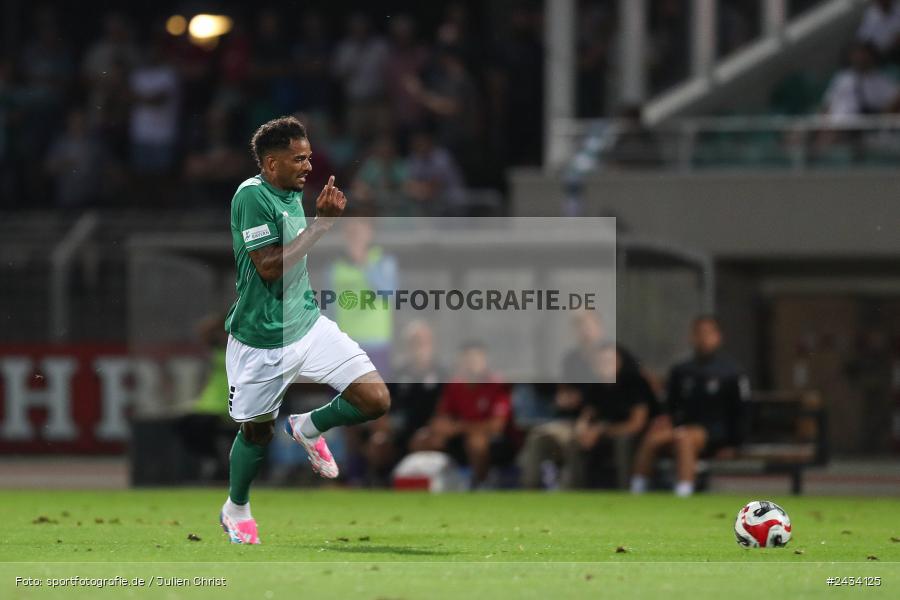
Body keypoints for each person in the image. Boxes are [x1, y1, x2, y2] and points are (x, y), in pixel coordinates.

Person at [219, 116, 391, 544]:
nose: (308, 166)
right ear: (271, 163)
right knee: (257, 433)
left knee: (375, 398)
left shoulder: (293, 191)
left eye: (309, 157)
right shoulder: (251, 197)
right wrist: (321, 226)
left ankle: (308, 426)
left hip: (308, 324)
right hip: (261, 340)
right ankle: (236, 508)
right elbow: (269, 268)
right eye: (299, 159)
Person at [630, 316, 749, 497]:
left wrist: (735, 444)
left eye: (708, 333)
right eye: (698, 333)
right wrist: (665, 420)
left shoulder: (732, 372)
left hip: (715, 434)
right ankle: (637, 489)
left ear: (718, 337)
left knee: (684, 439)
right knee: (653, 437)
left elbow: (742, 411)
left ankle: (684, 491)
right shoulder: (681, 370)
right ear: (692, 337)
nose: (703, 338)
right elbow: (670, 405)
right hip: (682, 428)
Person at [411, 341, 515, 488]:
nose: (471, 364)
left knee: (476, 442)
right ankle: (425, 484)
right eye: (466, 360)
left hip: (496, 441)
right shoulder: (455, 385)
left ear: (485, 360)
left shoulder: (497, 385)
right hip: (460, 437)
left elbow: (496, 426)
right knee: (423, 439)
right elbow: (442, 416)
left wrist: (459, 427)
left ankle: (481, 485)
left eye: (475, 359)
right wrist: (441, 429)